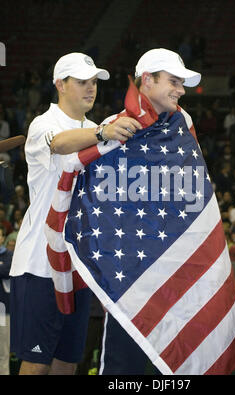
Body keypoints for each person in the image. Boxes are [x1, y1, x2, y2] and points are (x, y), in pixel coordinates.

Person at [9, 52, 142, 375]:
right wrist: (104, 133)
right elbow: (61, 144)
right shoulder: (45, 124)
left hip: (80, 264)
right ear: (60, 85)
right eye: (82, 82)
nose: (90, 89)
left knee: (67, 364)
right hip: (40, 263)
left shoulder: (98, 128)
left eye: (94, 82)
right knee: (36, 364)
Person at [98, 48, 204, 375]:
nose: (181, 90)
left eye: (182, 83)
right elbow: (97, 206)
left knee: (172, 366)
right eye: (174, 81)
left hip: (173, 266)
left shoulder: (184, 122)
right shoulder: (114, 127)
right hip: (129, 272)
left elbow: (194, 191)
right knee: (122, 368)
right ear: (147, 80)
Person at [0, 225, 13, 375]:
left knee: (3, 350)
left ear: (3, 238)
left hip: (2, 309)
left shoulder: (9, 255)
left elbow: (6, 271)